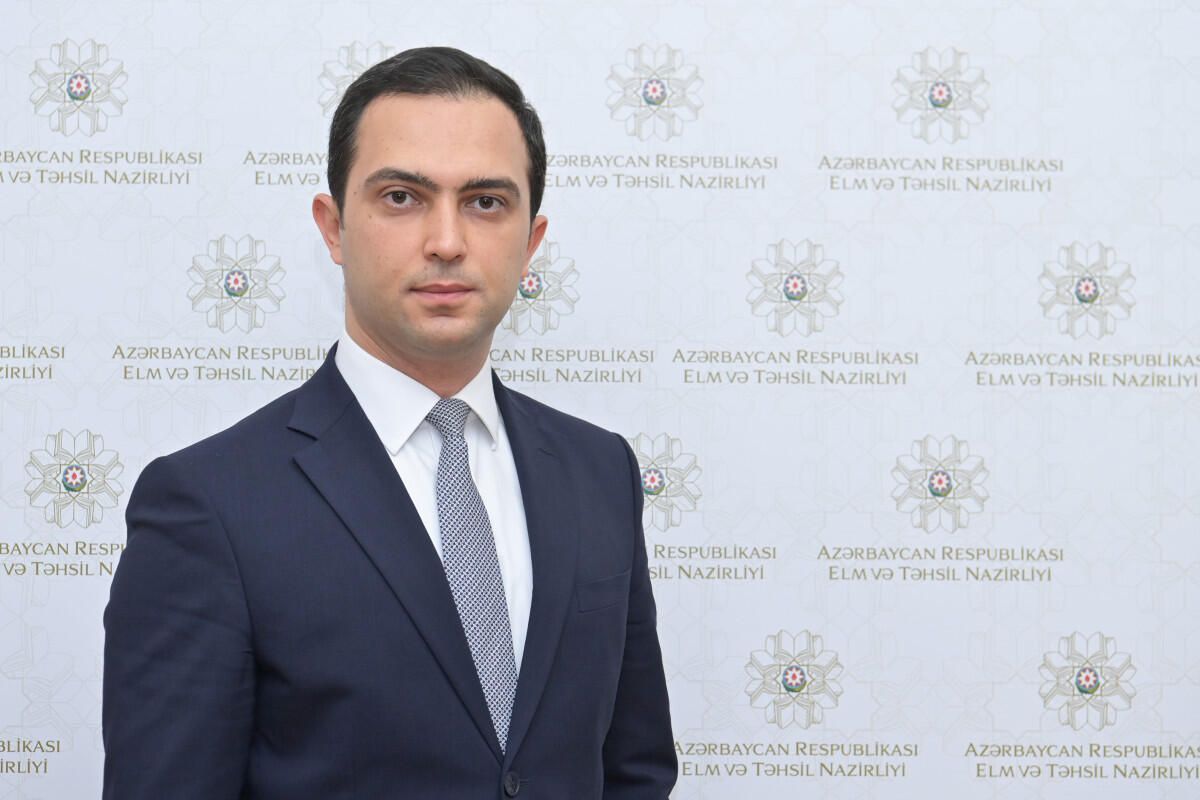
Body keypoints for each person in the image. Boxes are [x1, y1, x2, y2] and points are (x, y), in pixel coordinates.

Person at [102, 46, 676, 799]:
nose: (447, 241)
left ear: (531, 242)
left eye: (486, 202)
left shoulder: (599, 471)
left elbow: (634, 771)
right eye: (402, 197)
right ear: (334, 228)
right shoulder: (210, 504)